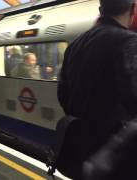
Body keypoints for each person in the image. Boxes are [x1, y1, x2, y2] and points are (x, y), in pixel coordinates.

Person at [57, 0, 137, 179]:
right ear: (132, 10)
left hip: (81, 149)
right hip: (114, 158)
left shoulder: (75, 44)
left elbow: (63, 95)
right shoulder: (129, 42)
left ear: (101, 10)